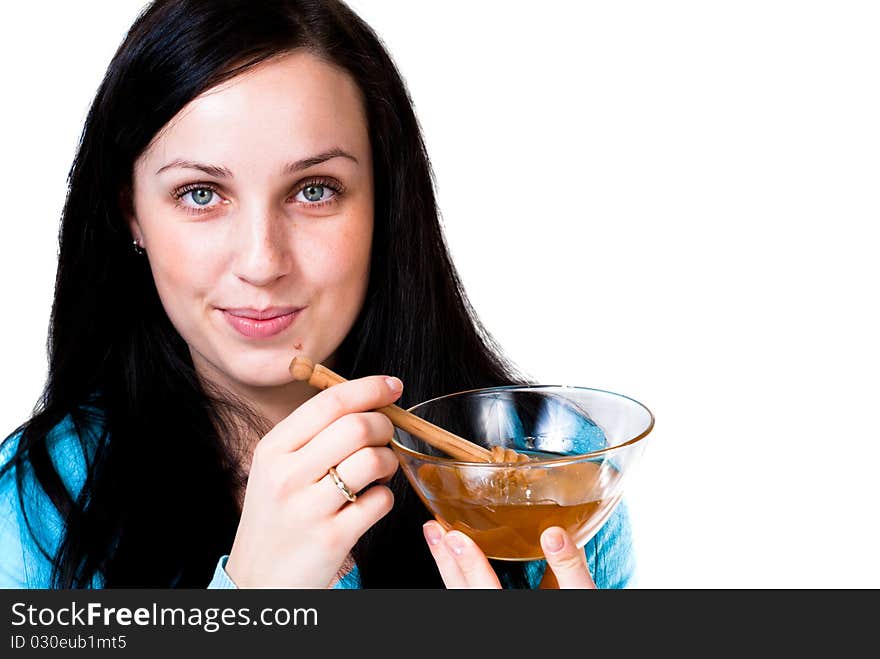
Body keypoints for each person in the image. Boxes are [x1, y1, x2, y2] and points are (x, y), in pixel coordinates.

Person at [0, 0, 635, 589]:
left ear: (385, 204)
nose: (261, 262)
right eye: (200, 194)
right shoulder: (38, 503)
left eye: (314, 190)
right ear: (131, 215)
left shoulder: (559, 478)